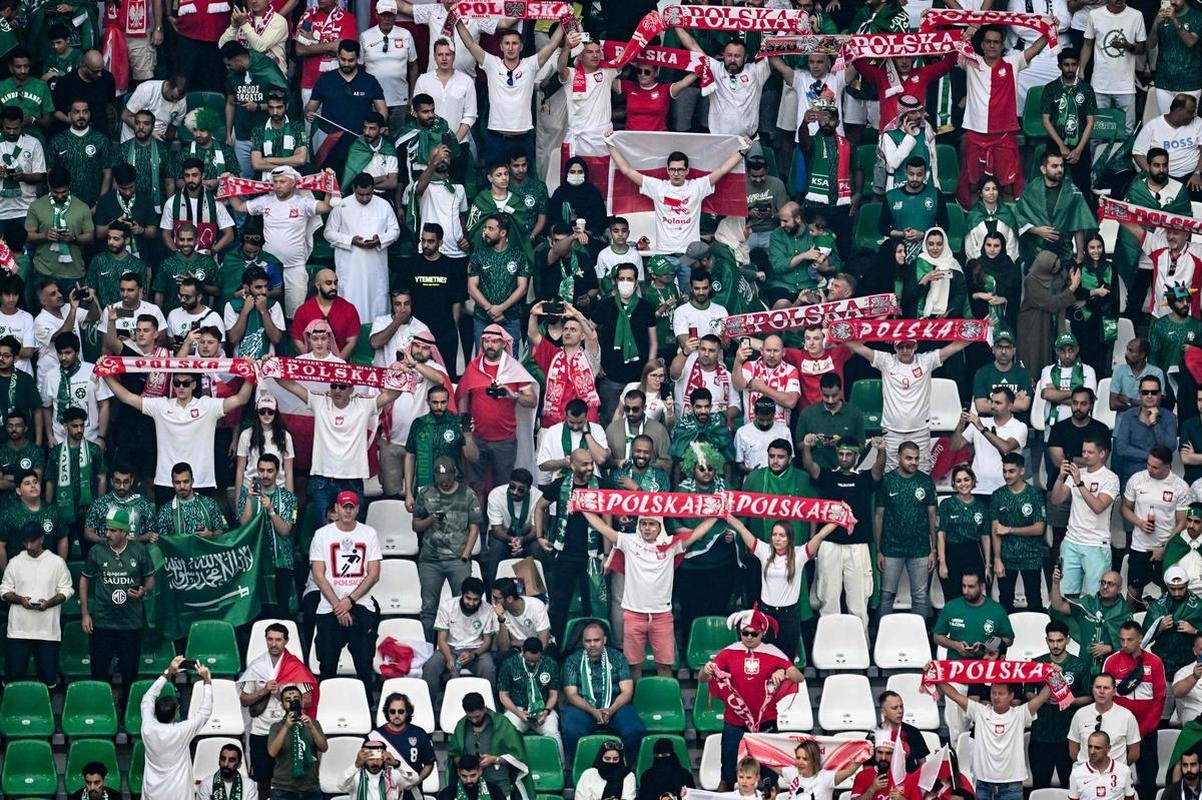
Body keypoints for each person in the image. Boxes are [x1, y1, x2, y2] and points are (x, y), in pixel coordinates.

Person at [581, 510, 718, 681]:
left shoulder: (671, 544)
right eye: (643, 523)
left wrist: (717, 514)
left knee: (664, 665)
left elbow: (697, 533)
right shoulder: (628, 541)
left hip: (662, 616)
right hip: (634, 615)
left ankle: (663, 700)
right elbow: (602, 527)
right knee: (634, 666)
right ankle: (638, 704)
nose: (647, 528)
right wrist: (582, 507)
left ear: (660, 526)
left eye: (652, 524)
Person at [607, 141, 750, 290]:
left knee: (688, 295)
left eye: (680, 170)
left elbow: (722, 170)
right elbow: (626, 170)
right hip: (664, 254)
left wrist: (741, 152)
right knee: (665, 297)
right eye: (673, 170)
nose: (676, 174)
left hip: (689, 257)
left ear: (687, 170)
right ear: (667, 170)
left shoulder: (697, 186)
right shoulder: (658, 187)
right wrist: (610, 144)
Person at [698, 605, 804, 790]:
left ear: (762, 632)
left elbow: (799, 677)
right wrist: (705, 670)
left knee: (771, 771)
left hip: (766, 720)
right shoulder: (729, 651)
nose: (748, 637)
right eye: (744, 633)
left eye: (753, 634)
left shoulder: (774, 652)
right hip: (735, 719)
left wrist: (785, 672)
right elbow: (702, 678)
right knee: (728, 770)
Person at [843, 338, 970, 471]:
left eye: (908, 346)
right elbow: (858, 347)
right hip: (892, 431)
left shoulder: (926, 360)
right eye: (900, 347)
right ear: (895, 348)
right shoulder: (886, 360)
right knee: (891, 473)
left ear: (915, 346)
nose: (904, 350)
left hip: (920, 430)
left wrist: (983, 329)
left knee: (922, 471)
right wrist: (833, 330)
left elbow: (956, 346)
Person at [956, 26, 1048, 206]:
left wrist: (1051, 30)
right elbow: (955, 45)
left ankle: (1007, 224)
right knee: (974, 184)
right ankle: (975, 223)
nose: (992, 46)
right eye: (988, 42)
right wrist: (970, 30)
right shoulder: (971, 61)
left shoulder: (1013, 62)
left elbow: (1035, 49)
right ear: (981, 45)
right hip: (976, 133)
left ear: (1002, 45)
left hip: (1004, 134)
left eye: (996, 42)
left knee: (1007, 185)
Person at [934, 670, 1056, 800]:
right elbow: (954, 695)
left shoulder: (1020, 714)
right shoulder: (979, 711)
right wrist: (935, 675)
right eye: (993, 693)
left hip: (1012, 786)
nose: (996, 697)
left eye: (1001, 693)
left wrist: (1054, 674)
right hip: (983, 785)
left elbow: (1042, 697)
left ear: (1011, 696)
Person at [309, 491, 382, 684]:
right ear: (337, 508)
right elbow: (318, 574)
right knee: (327, 663)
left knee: (364, 661)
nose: (348, 511)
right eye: (344, 506)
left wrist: (349, 601)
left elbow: (373, 573)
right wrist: (338, 606)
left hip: (360, 603)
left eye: (351, 507)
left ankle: (367, 704)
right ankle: (325, 707)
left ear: (357, 509)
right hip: (330, 605)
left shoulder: (369, 533)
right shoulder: (322, 535)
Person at [237, 622, 315, 799]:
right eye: (270, 639)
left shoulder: (295, 666)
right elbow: (244, 699)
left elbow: (308, 700)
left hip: (287, 730)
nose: (274, 643)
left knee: (290, 781)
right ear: (265, 640)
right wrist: (264, 690)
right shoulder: (256, 666)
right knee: (263, 781)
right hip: (261, 731)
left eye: (278, 640)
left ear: (286, 641)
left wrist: (281, 695)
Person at [79, 506, 153, 691]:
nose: (107, 534)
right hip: (103, 622)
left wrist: (143, 590)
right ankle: (101, 713)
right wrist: (85, 614)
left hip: (130, 623)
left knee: (130, 675)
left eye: (113, 530)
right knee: (99, 674)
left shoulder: (139, 550)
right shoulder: (97, 551)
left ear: (124, 532)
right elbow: (84, 581)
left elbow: (150, 579)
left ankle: (125, 714)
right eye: (106, 529)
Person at [0, 521, 71, 685]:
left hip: (47, 630)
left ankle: (47, 711)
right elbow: (4, 590)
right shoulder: (15, 562)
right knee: (13, 678)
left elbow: (66, 590)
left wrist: (49, 603)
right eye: (25, 542)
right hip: (19, 630)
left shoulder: (56, 562)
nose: (29, 545)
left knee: (48, 679)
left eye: (32, 541)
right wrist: (20, 600)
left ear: (42, 539)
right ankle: (12, 709)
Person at [562, 622, 646, 757]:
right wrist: (592, 710)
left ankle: (624, 767)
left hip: (615, 703)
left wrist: (611, 710)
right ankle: (583, 768)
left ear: (604, 640)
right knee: (572, 730)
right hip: (584, 705)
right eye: (588, 641)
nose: (592, 644)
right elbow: (571, 694)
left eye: (596, 640)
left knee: (635, 729)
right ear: (583, 642)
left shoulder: (618, 657)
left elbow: (627, 691)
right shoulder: (573, 660)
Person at [1050, 434, 1120, 597]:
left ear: (1102, 453)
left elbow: (1098, 507)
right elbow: (1056, 499)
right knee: (1065, 594)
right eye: (1083, 452)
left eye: (1090, 452)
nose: (1085, 456)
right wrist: (1061, 477)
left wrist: (1079, 483)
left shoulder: (1110, 478)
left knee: (1095, 596)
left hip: (1096, 544)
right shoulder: (1077, 473)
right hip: (1071, 541)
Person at [1104, 620, 1168, 796]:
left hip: (1146, 732)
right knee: (1117, 780)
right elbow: (1105, 698)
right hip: (1119, 732)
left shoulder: (1155, 662)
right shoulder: (1111, 662)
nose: (1125, 644)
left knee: (1148, 779)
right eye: (1122, 640)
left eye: (1130, 640)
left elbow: (1159, 699)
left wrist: (1143, 729)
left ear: (1140, 638)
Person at [875, 441, 938, 619]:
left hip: (920, 549)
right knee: (886, 596)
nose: (914, 462)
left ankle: (919, 639)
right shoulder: (887, 481)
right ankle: (883, 637)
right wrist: (878, 550)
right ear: (898, 458)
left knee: (919, 597)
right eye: (909, 458)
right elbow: (879, 516)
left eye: (917, 458)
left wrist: (933, 550)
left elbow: (932, 517)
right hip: (891, 549)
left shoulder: (926, 481)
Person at [1029, 620, 1094, 788]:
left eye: (1059, 640)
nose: (1055, 645)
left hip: (1068, 736)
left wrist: (1069, 700)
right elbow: (1027, 693)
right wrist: (1042, 699)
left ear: (1068, 640)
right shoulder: (1037, 664)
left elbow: (1089, 697)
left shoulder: (1079, 665)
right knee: (1039, 786)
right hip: (1040, 735)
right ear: (1046, 640)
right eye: (1051, 641)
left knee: (1069, 786)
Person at [141, 656, 213, 800]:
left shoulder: (147, 727)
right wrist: (207, 680)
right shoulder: (181, 731)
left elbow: (148, 697)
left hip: (152, 791)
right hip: (178, 793)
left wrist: (168, 673)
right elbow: (205, 712)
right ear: (176, 712)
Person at [423, 576, 496, 707]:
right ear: (462, 594)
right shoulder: (447, 606)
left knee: (488, 668)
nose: (472, 603)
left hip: (476, 651)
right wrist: (449, 658)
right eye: (468, 598)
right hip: (449, 649)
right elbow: (441, 639)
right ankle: (428, 708)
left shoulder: (488, 609)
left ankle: (488, 708)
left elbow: (487, 642)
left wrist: (474, 654)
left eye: (476, 599)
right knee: (431, 667)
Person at [1016, 150, 1098, 267]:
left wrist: (1080, 255)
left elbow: (1079, 225)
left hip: (1063, 252)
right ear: (1043, 169)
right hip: (1036, 252)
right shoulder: (1032, 189)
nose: (1060, 169)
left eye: (1061, 166)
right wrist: (1037, 230)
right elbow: (1020, 216)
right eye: (1054, 166)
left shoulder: (1073, 192)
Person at [446, 692, 534, 800]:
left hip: (499, 786)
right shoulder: (461, 726)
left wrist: (495, 759)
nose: (474, 720)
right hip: (471, 790)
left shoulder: (502, 724)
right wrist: (467, 763)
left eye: (477, 716)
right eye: (470, 717)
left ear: (484, 708)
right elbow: (454, 755)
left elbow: (518, 756)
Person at [991, 453, 1049, 613]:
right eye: (1004, 471)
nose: (1007, 475)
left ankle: (1035, 636)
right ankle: (1006, 638)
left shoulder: (1034, 495)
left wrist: (1009, 529)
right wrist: (996, 559)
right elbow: (995, 530)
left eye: (1011, 471)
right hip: (1006, 558)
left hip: (1031, 557)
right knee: (1005, 603)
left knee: (1035, 602)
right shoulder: (997, 496)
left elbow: (1039, 529)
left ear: (1022, 471)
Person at [1080, 0, 1148, 136]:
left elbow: (1141, 48)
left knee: (1128, 132)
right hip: (1099, 83)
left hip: (1125, 84)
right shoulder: (1094, 14)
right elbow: (1087, 44)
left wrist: (1127, 45)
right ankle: (1096, 158)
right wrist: (1081, 69)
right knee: (1096, 132)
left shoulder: (1136, 15)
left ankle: (1124, 158)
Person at [1041, 49, 1098, 196]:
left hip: (1080, 144)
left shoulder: (1086, 89)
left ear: (1078, 65)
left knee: (1083, 187)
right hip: (1056, 144)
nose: (1070, 68)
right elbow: (1046, 120)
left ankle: (1084, 216)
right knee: (1052, 183)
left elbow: (1090, 122)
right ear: (1059, 66)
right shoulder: (1050, 88)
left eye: (1073, 64)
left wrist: (1078, 150)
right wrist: (1061, 145)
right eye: (1066, 65)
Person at [497, 636, 561, 750]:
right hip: (517, 708)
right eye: (529, 660)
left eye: (535, 661)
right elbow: (503, 695)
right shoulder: (509, 664)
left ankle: (559, 766)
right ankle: (511, 766)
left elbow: (553, 694)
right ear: (522, 651)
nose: (532, 664)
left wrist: (546, 711)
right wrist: (518, 713)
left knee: (553, 733)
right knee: (508, 732)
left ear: (541, 653)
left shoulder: (550, 664)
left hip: (543, 708)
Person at [266, 684, 328, 800]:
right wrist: (286, 726)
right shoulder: (276, 727)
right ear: (282, 705)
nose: (292, 702)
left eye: (296, 699)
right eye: (288, 700)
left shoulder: (313, 723)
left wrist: (311, 728)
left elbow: (324, 747)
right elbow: (272, 752)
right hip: (283, 788)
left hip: (310, 786)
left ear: (302, 702)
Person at [1068, 674, 1142, 766]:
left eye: (1106, 688)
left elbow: (1134, 753)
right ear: (1092, 689)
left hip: (1115, 775)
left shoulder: (1127, 716)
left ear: (1114, 691)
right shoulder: (1080, 714)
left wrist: (1117, 768)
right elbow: (1073, 751)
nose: (1101, 691)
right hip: (1085, 775)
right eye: (1098, 687)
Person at [373, 693, 436, 800]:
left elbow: (429, 764)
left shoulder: (419, 733)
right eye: (392, 711)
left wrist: (418, 780)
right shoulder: (375, 737)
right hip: (383, 794)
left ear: (407, 713)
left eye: (401, 711)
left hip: (412, 793)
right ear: (387, 712)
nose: (396, 715)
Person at [1067, 731, 1136, 800]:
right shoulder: (1077, 773)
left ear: (1108, 749)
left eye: (1097, 748)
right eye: (1090, 747)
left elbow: (1130, 798)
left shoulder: (1124, 771)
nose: (1092, 752)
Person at [335, 739, 408, 800]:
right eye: (371, 759)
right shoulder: (355, 775)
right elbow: (341, 785)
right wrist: (356, 765)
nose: (375, 763)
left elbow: (413, 778)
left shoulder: (393, 773)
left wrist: (396, 764)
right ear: (364, 759)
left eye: (378, 759)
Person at [438, 755, 506, 800]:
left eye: (473, 776)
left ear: (480, 771)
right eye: (464, 776)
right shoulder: (447, 793)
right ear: (458, 773)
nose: (468, 780)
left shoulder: (494, 791)